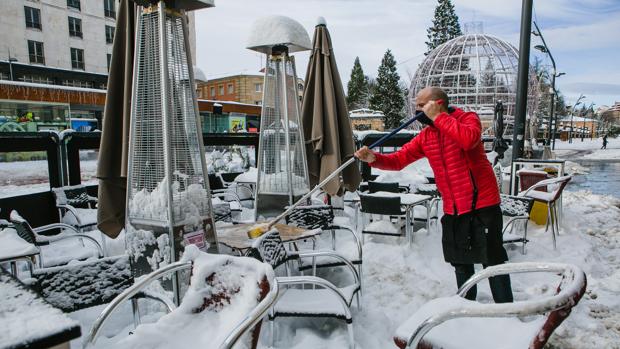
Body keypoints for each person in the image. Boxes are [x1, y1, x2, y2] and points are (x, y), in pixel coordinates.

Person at [355, 87, 513, 303]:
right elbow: (400, 159)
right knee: (461, 264)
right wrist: (374, 158)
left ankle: (507, 312)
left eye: (421, 105)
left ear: (438, 104)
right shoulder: (426, 136)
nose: (416, 110)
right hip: (454, 208)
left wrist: (439, 118)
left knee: (492, 262)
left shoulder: (467, 119)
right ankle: (466, 309)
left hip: (482, 205)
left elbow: (468, 140)